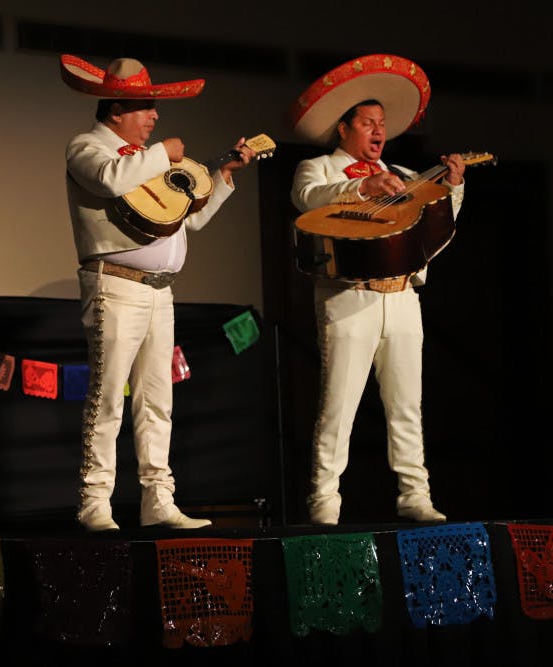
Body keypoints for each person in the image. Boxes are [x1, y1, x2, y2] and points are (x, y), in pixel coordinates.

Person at [60, 54, 256, 531]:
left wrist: (223, 174)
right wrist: (161, 153)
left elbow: (187, 216)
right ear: (117, 109)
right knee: (108, 396)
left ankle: (158, 500)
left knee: (156, 400)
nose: (154, 116)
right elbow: (109, 180)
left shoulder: (149, 160)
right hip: (115, 288)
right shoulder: (88, 147)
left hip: (159, 293)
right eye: (146, 107)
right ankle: (93, 502)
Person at [287, 54, 465, 525]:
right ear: (344, 129)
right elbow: (307, 201)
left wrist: (452, 187)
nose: (377, 130)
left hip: (403, 297)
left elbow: (434, 234)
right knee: (338, 406)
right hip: (350, 298)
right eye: (368, 122)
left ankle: (415, 495)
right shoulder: (317, 168)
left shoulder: (405, 176)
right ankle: (325, 502)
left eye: (381, 123)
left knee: (407, 406)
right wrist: (363, 190)